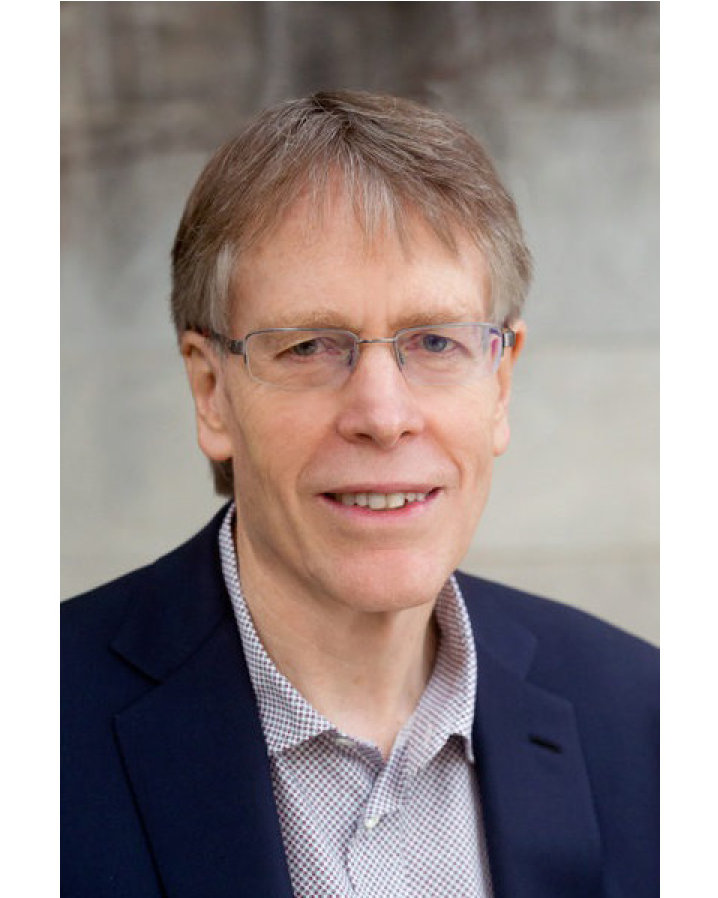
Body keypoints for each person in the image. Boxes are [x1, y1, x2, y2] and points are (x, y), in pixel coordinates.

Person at [61, 90, 658, 898]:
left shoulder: (648, 720)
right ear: (211, 393)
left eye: (436, 341)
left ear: (500, 385)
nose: (383, 415)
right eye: (310, 346)